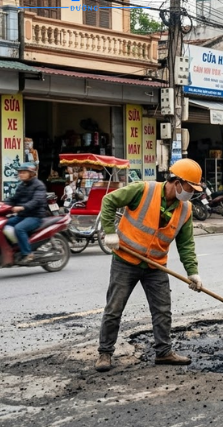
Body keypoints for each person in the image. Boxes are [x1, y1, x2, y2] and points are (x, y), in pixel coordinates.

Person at [95, 158, 204, 373]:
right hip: (125, 261)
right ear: (177, 182)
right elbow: (109, 201)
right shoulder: (142, 190)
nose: (191, 193)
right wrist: (109, 232)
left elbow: (186, 244)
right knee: (114, 309)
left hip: (155, 266)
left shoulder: (185, 209)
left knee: (163, 310)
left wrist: (193, 272)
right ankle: (105, 353)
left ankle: (164, 352)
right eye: (190, 188)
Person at [3, 163, 46, 263]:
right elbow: (14, 199)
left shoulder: (39, 185)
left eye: (23, 172)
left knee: (19, 228)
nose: (21, 174)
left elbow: (36, 201)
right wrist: (1, 204)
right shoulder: (22, 186)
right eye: (20, 172)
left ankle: (28, 253)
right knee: (3, 223)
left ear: (31, 173)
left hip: (35, 216)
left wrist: (22, 207)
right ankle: (13, 248)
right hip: (22, 215)